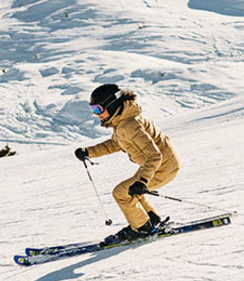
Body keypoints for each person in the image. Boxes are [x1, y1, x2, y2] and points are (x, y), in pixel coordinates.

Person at [75, 83, 181, 245]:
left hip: (162, 167)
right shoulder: (122, 122)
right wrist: (89, 152)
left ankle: (142, 229)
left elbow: (154, 155)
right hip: (162, 165)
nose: (97, 114)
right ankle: (151, 219)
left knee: (121, 193)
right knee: (132, 191)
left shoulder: (130, 125)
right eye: (93, 110)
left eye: (98, 109)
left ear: (112, 105)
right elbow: (115, 144)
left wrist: (143, 181)